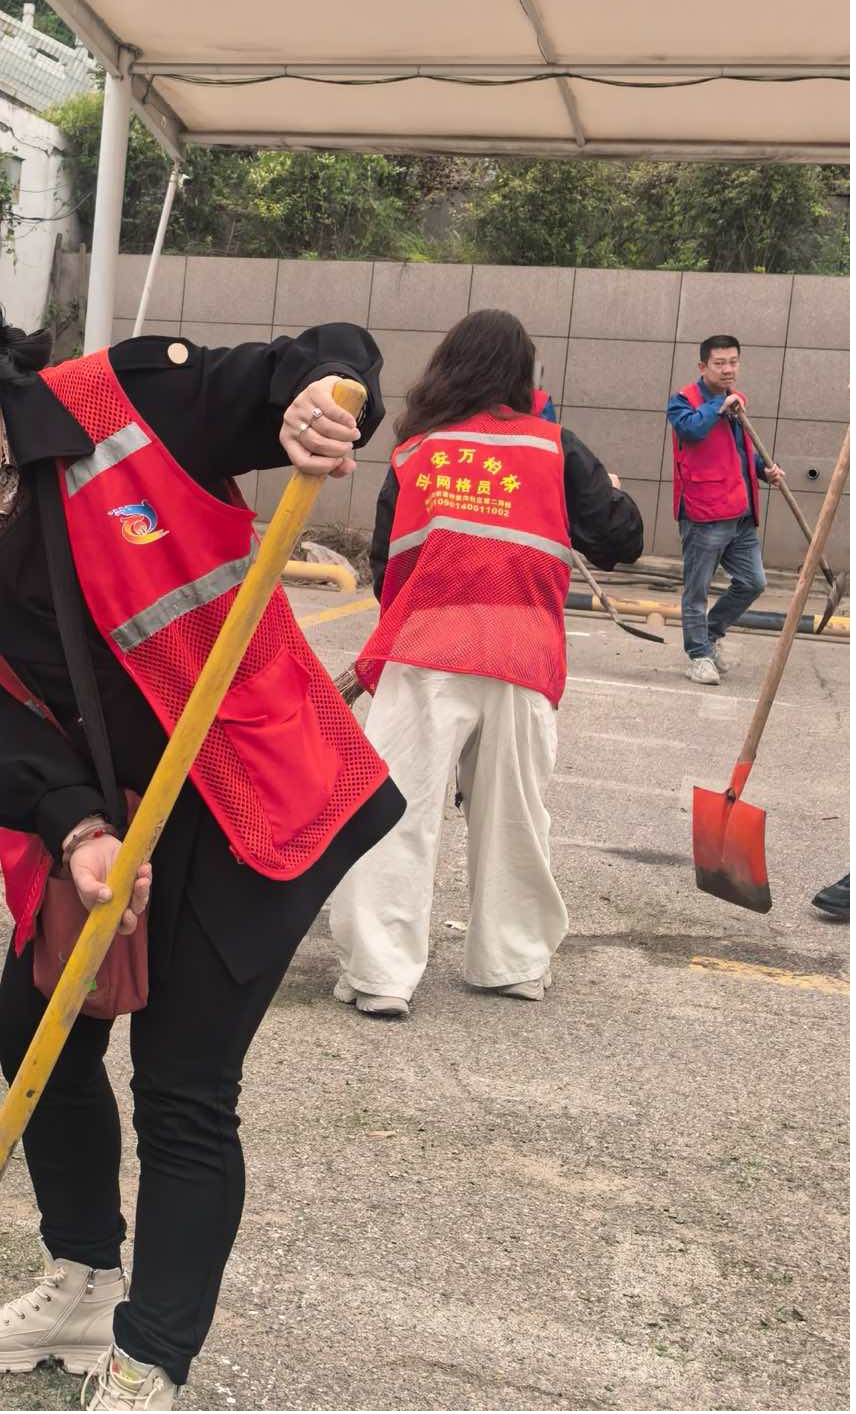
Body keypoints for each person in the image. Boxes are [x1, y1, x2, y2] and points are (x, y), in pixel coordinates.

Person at [0, 260, 403, 1413]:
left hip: (243, 783)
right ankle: (81, 1279)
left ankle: (149, 1355)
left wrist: (328, 396)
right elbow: (5, 716)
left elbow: (320, 350)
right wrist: (76, 828)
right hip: (106, 810)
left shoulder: (129, 401)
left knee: (181, 1078)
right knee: (36, 1028)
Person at [330, 310, 643, 1020]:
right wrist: (611, 490)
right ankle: (513, 962)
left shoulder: (417, 451)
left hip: (424, 650)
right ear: (523, 374)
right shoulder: (554, 447)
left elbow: (384, 565)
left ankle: (380, 973)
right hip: (520, 653)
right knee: (514, 816)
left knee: (397, 813)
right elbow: (621, 539)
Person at [667, 335, 787, 685]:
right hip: (704, 513)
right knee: (697, 590)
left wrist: (764, 472)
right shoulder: (683, 401)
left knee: (753, 582)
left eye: (733, 362)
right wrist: (720, 405)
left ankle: (709, 634)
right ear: (702, 366)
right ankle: (698, 656)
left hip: (740, 513)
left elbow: (737, 452)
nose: (727, 369)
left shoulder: (735, 403)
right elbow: (691, 432)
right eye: (719, 363)